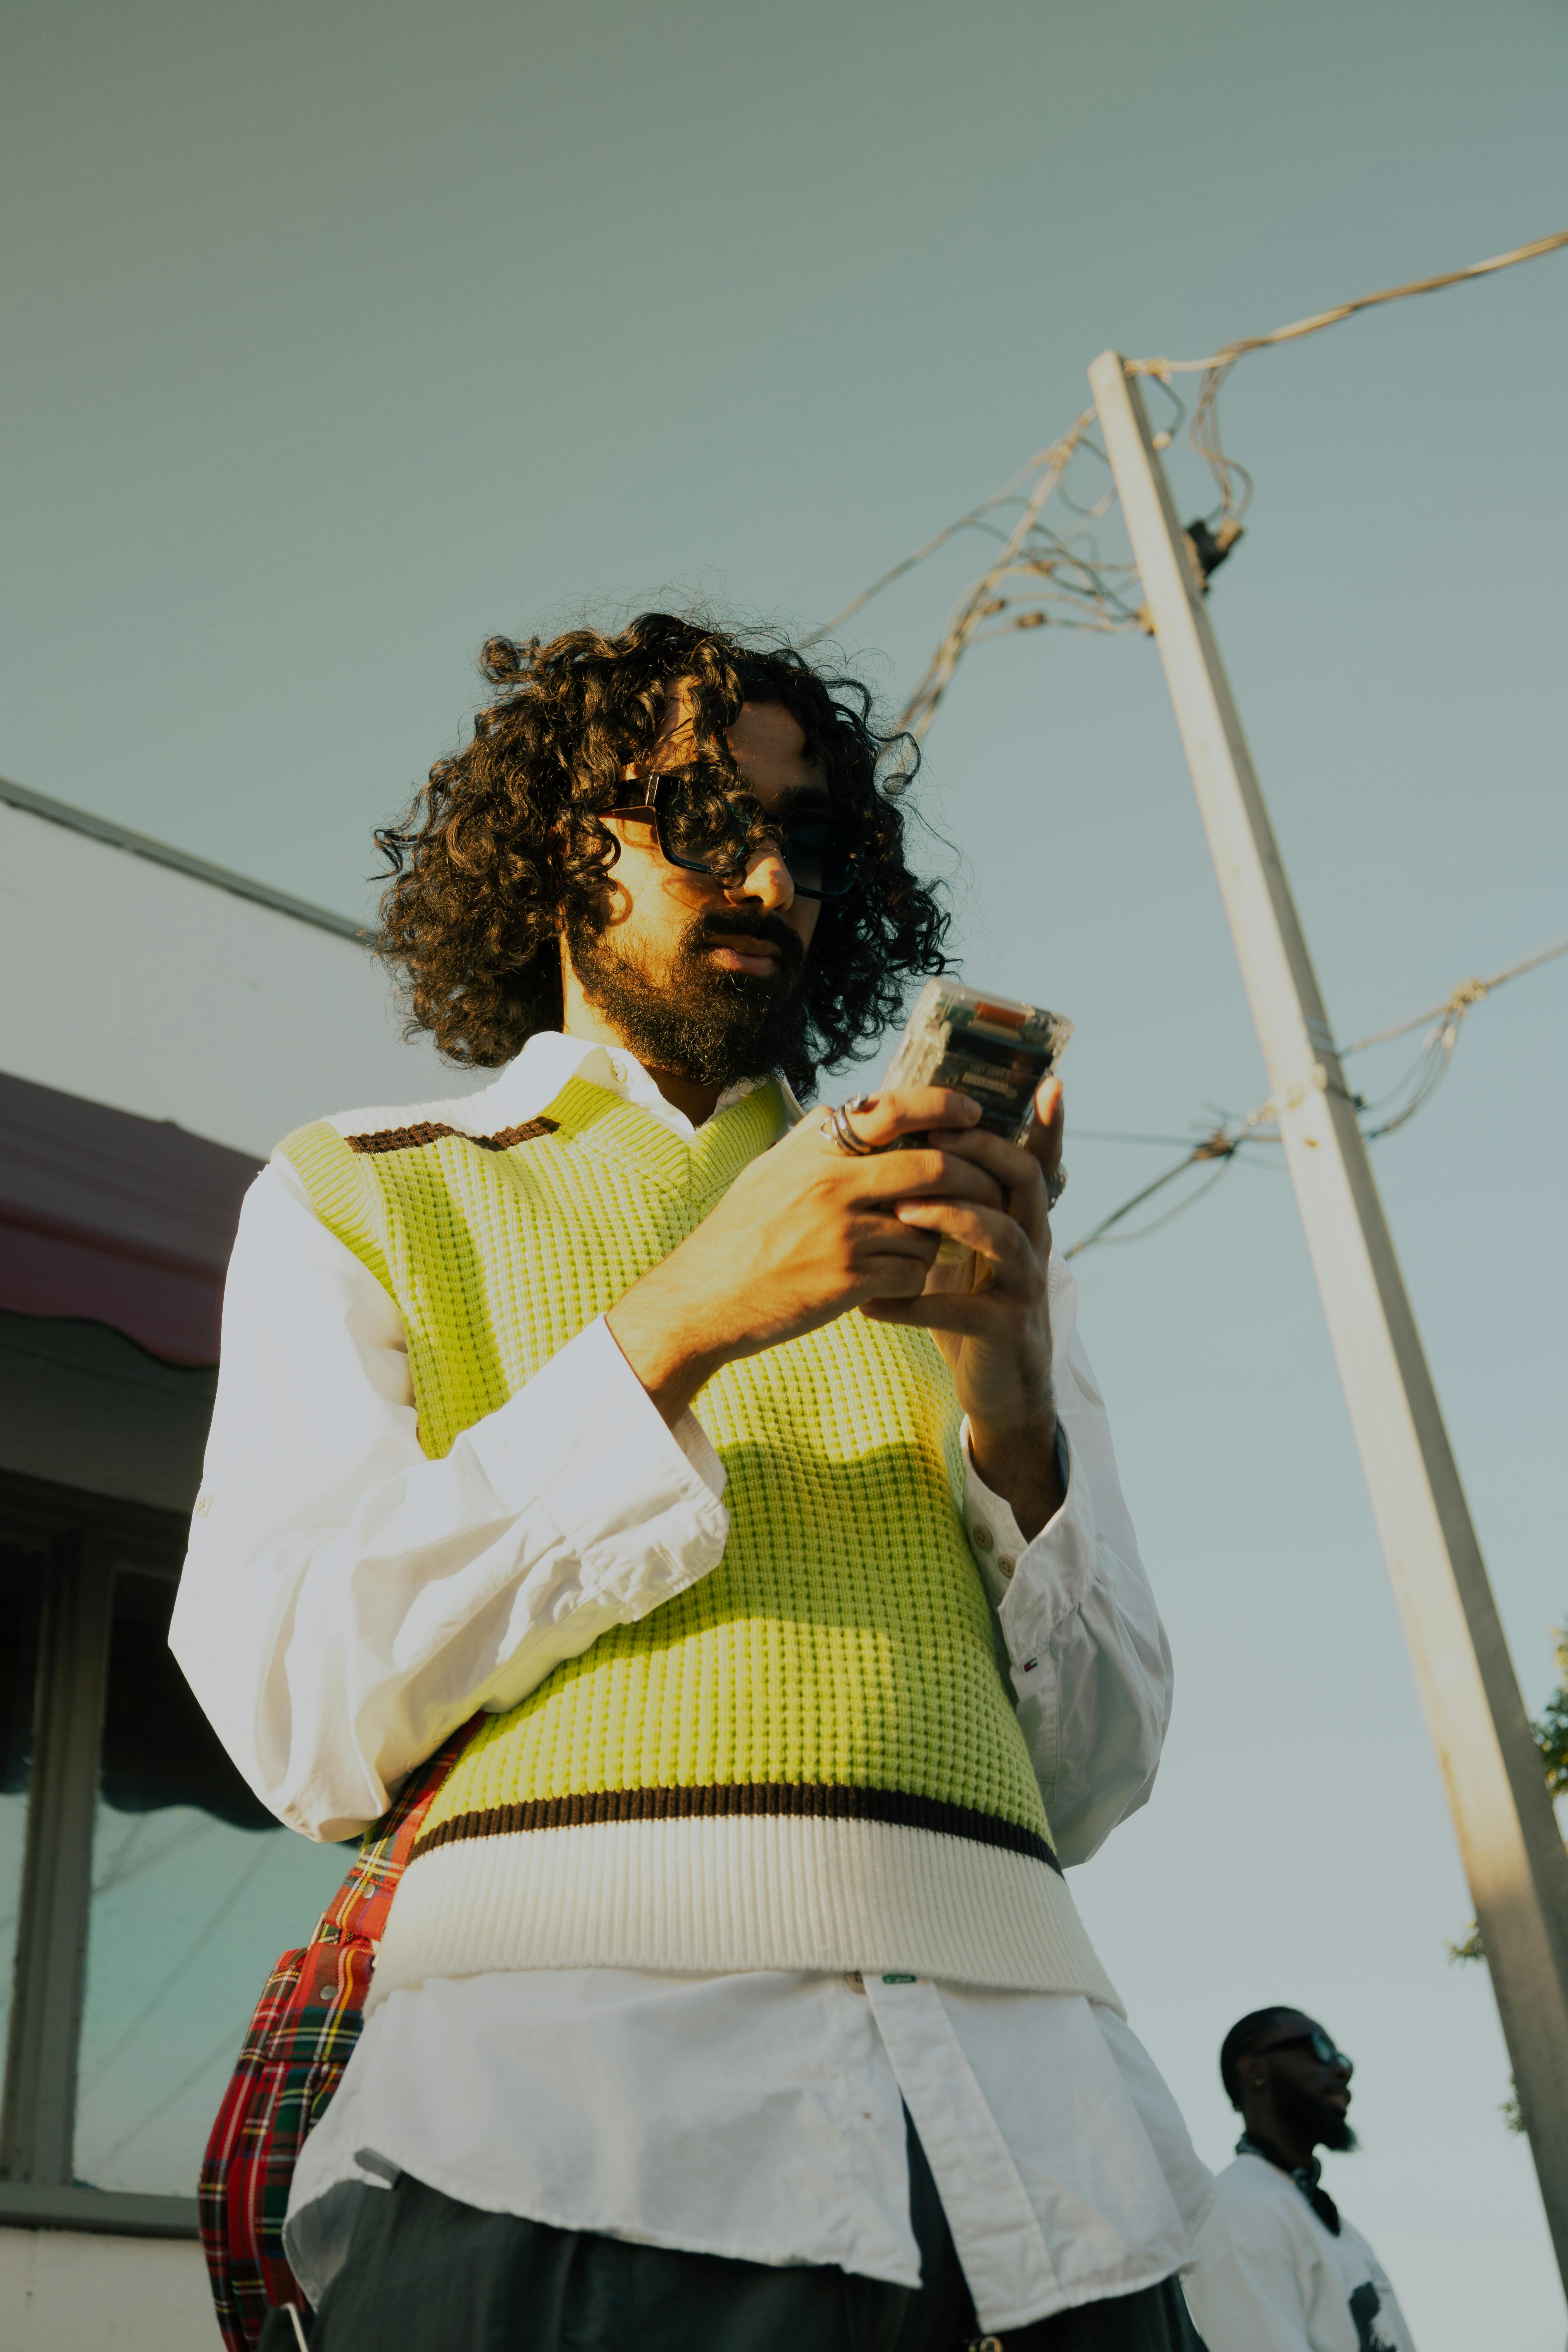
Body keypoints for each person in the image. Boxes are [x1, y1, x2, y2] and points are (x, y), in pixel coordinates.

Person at [172, 612, 1212, 2350]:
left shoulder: (949, 1229)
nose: (764, 875)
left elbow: (1093, 1775)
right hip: (570, 2139)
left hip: (1052, 2176)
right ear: (549, 848)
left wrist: (1009, 1389)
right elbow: (303, 1707)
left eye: (803, 839)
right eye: (695, 817)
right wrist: (690, 1315)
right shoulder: (358, 1187)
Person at [1183, 2007, 1416, 2352]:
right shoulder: (1239, 2210)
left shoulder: (1330, 2222)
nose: (1341, 2070)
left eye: (1341, 2058)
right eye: (1319, 2049)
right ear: (1254, 2071)